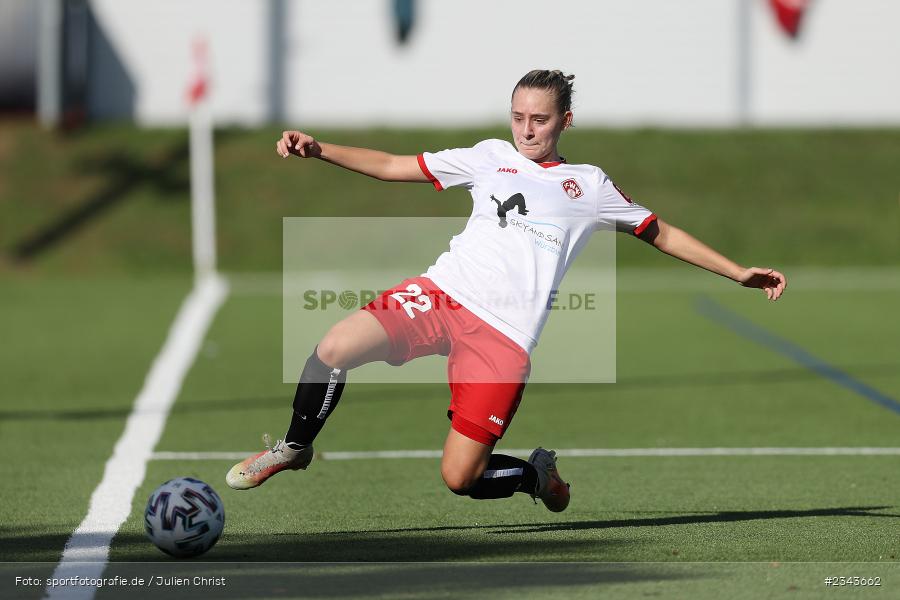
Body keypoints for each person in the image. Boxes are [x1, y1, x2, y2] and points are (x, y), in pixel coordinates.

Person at [226, 70, 787, 512]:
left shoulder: (588, 186)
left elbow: (661, 232)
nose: (526, 130)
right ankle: (296, 447)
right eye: (518, 117)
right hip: (441, 295)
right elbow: (396, 165)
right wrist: (319, 149)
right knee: (333, 348)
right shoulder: (489, 156)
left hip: (503, 337)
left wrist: (737, 271)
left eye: (539, 120)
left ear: (565, 120)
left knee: (460, 478)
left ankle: (534, 474)